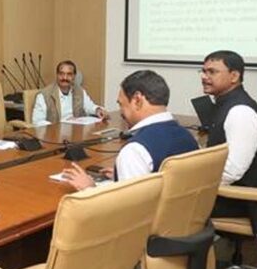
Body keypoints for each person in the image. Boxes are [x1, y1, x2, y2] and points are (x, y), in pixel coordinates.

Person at [62, 70, 198, 190]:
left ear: (137, 100)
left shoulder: (134, 151)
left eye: (121, 105)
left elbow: (127, 210)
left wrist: (90, 189)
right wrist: (122, 175)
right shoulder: (189, 138)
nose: (121, 112)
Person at [201, 51, 257, 237]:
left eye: (212, 72)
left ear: (234, 76)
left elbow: (232, 170)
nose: (204, 77)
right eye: (203, 71)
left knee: (170, 204)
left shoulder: (240, 111)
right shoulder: (224, 104)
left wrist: (196, 183)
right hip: (226, 192)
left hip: (239, 200)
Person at [32, 60, 108, 124]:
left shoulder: (79, 91)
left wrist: (97, 110)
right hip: (54, 134)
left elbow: (89, 106)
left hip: (76, 132)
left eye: (69, 74)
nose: (65, 78)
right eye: (61, 74)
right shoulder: (44, 95)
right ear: (57, 75)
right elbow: (37, 121)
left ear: (74, 76)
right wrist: (58, 127)